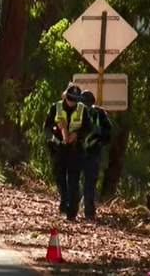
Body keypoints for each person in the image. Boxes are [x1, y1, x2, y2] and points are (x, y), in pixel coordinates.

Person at [43, 84, 93, 221]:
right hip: (59, 148)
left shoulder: (82, 109)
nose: (73, 103)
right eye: (71, 99)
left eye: (75, 100)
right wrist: (56, 130)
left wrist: (77, 135)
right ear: (66, 97)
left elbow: (88, 127)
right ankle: (64, 201)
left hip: (75, 150)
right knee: (60, 178)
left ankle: (72, 211)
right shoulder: (56, 107)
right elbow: (46, 127)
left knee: (73, 180)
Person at [80, 90, 113, 220]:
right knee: (77, 181)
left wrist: (98, 135)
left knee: (89, 182)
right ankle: (77, 209)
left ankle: (88, 211)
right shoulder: (76, 112)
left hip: (92, 152)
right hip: (79, 151)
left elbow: (108, 132)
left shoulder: (99, 114)